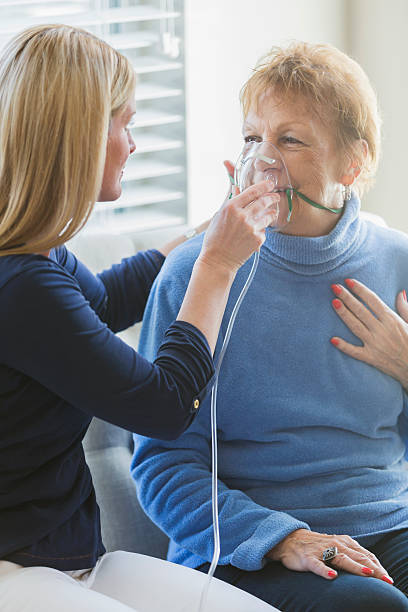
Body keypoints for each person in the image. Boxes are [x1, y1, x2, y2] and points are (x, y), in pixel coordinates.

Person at [0, 24, 279, 612]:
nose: (132, 144)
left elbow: (103, 300)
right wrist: (216, 267)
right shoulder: (20, 285)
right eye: (123, 123)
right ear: (78, 137)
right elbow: (164, 405)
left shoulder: (35, 252)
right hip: (16, 569)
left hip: (75, 560)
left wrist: (215, 226)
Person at [132, 41, 408, 611]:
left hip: (389, 525)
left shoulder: (397, 263)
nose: (264, 159)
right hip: (249, 550)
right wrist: (283, 537)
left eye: (290, 139)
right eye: (253, 137)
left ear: (351, 163)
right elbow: (161, 464)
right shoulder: (199, 274)